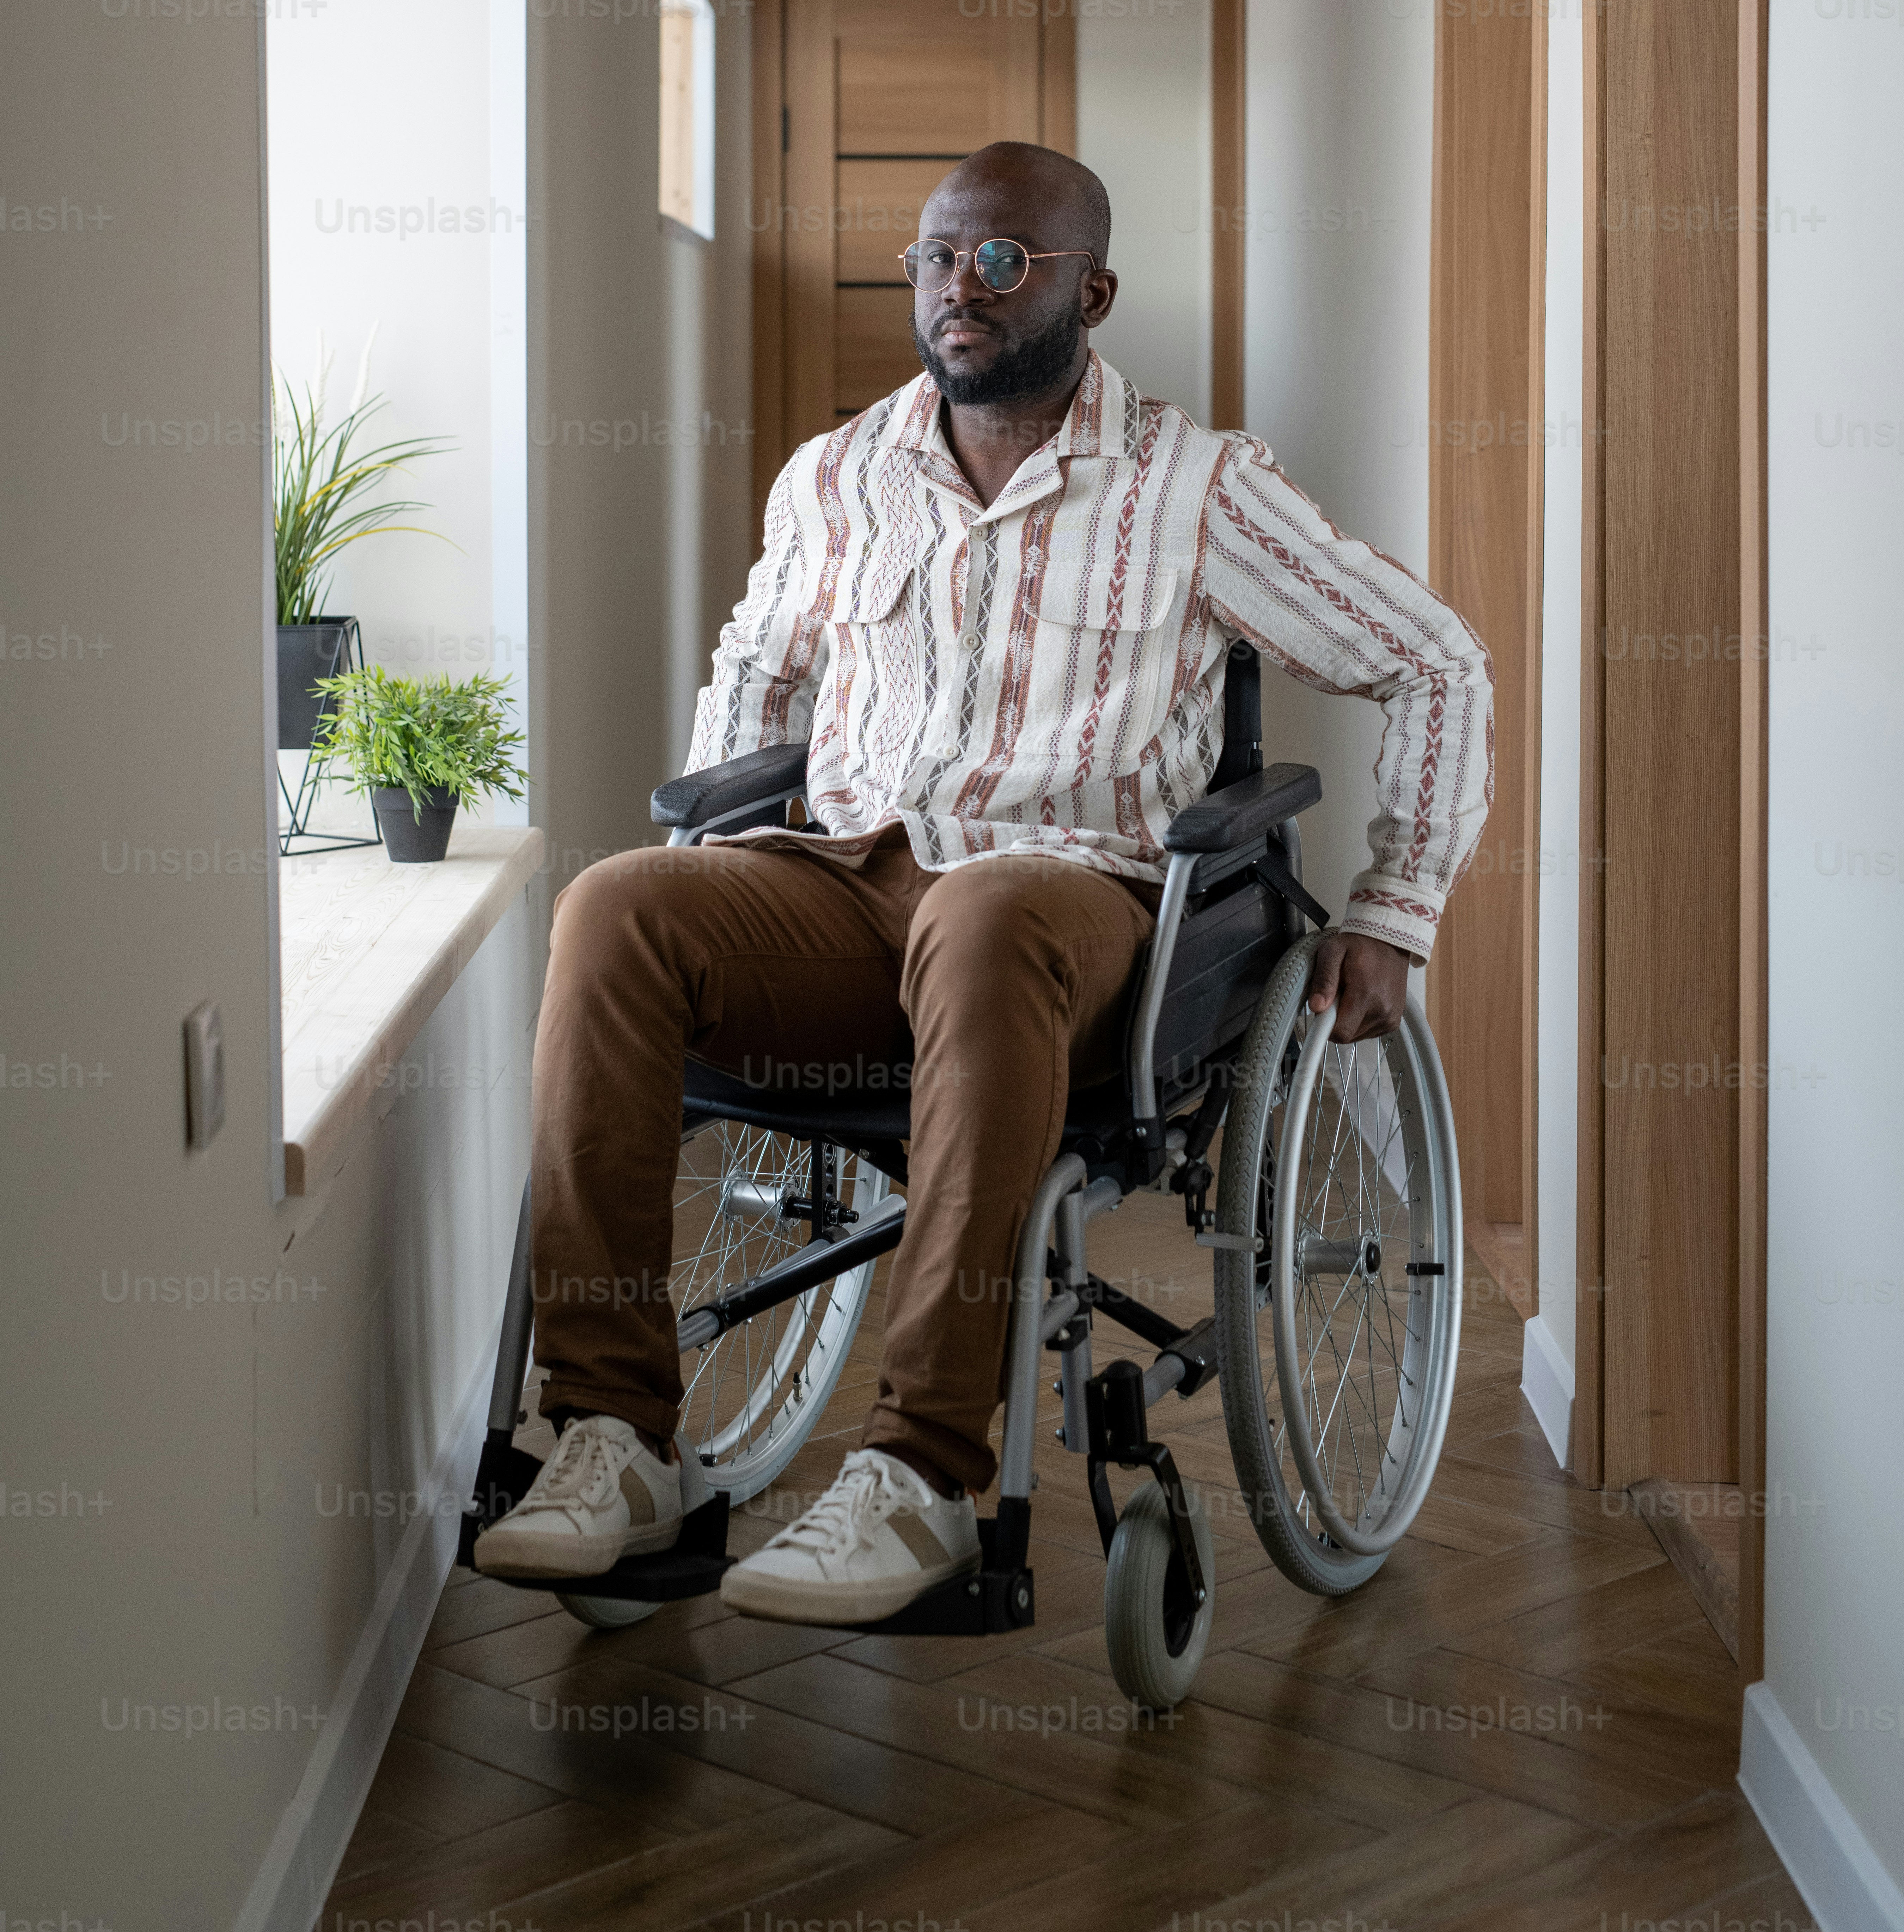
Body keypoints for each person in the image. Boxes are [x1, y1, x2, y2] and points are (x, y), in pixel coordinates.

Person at [476, 140, 1493, 1621]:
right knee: (617, 904)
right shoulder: (837, 477)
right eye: (940, 257)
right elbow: (757, 686)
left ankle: (918, 1473)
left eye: (1004, 259)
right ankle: (611, 1435)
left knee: (986, 907)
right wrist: (715, 870)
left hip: (1071, 902)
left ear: (1093, 287)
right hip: (846, 884)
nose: (962, 286)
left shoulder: (1198, 487)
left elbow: (1434, 659)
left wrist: (1399, 909)